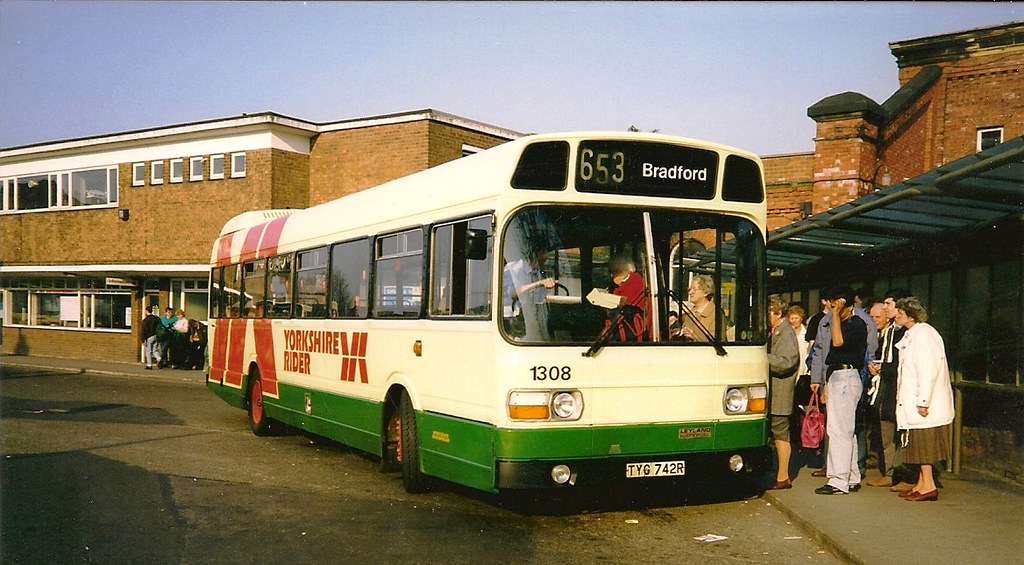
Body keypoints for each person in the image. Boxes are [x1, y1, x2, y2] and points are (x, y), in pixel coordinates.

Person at [893, 297, 954, 502]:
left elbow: (928, 370)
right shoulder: (913, 334)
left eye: (901, 313)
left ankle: (928, 485)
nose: (897, 316)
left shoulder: (925, 336)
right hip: (915, 402)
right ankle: (921, 483)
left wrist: (923, 401)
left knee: (925, 444)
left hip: (925, 404)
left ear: (911, 316)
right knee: (918, 444)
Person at [812, 286, 868, 495]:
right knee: (845, 430)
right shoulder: (840, 323)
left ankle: (838, 481)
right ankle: (851, 476)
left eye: (838, 304)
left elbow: (837, 342)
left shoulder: (856, 324)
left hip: (846, 376)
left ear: (849, 305)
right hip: (836, 376)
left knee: (839, 431)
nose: (834, 308)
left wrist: (835, 314)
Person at [865, 289, 909, 487]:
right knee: (885, 432)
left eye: (889, 304)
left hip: (897, 389)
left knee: (896, 434)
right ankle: (889, 472)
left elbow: (900, 361)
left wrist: (884, 367)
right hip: (886, 387)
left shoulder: (904, 331)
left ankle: (897, 473)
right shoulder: (891, 330)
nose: (885, 308)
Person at [767, 295, 800, 490]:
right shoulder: (779, 330)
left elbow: (787, 362)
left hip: (781, 391)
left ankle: (783, 477)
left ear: (778, 312)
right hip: (776, 391)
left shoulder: (785, 332)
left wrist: (763, 357)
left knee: (781, 433)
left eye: (769, 312)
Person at [503, 248, 557, 342]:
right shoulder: (514, 268)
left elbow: (538, 300)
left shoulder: (537, 272)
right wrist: (539, 283)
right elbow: (512, 293)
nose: (547, 257)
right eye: (544, 252)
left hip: (527, 320)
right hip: (509, 324)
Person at [679, 274, 716, 342]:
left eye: (694, 289)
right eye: (689, 289)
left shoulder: (716, 315)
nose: (690, 292)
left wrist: (695, 336)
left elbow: (719, 343)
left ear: (706, 292)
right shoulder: (688, 315)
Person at [787, 304, 808, 375]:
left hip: (804, 365)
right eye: (792, 318)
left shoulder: (806, 331)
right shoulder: (787, 333)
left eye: (796, 318)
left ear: (801, 318)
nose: (794, 321)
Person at [140, 305, 162, 370]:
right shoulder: (157, 318)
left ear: (146, 311)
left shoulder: (145, 320)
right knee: (154, 350)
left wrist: (143, 340)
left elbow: (143, 331)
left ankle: (149, 365)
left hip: (149, 337)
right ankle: (159, 358)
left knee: (148, 351)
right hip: (157, 336)